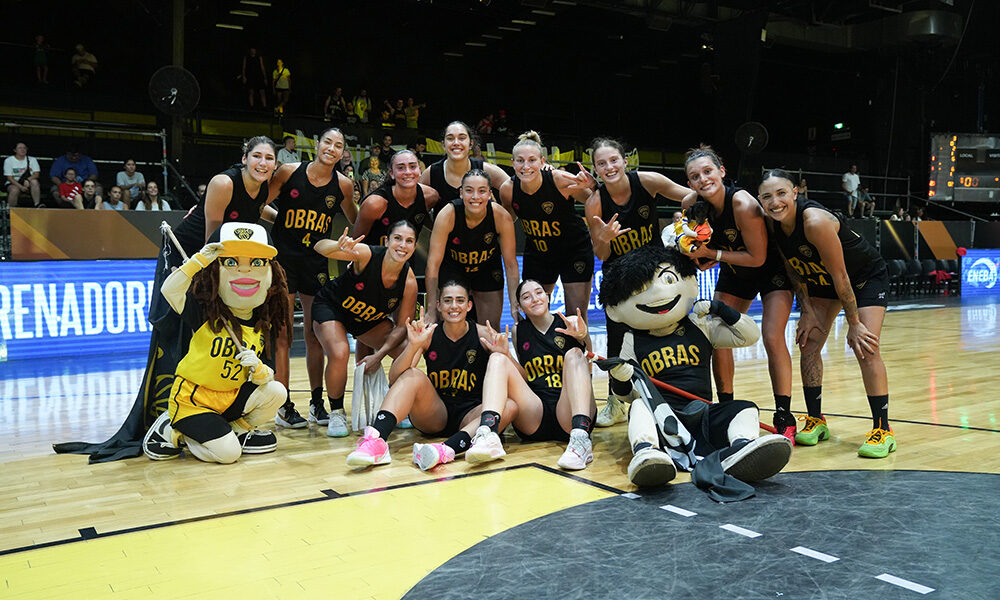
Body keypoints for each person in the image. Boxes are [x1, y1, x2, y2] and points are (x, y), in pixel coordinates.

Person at [52, 137, 280, 463]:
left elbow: (253, 214)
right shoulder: (222, 182)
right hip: (187, 257)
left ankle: (222, 416)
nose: (262, 162)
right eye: (256, 156)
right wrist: (206, 286)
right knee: (185, 332)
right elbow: (210, 240)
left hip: (221, 262)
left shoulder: (265, 188)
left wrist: (277, 219)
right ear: (244, 158)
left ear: (274, 163)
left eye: (268, 158)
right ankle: (170, 416)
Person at [599, 243, 791, 497]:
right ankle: (647, 452)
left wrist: (720, 309)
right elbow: (626, 396)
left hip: (702, 414)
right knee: (639, 406)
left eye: (668, 279)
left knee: (743, 407)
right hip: (663, 419)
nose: (657, 294)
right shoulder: (632, 340)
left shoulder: (700, 326)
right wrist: (621, 379)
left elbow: (750, 335)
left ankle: (741, 449)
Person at [759, 169, 895, 458]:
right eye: (767, 196)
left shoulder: (815, 222)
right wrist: (806, 310)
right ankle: (817, 420)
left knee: (866, 348)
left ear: (795, 192)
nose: (775, 202)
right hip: (822, 281)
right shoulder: (772, 223)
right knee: (809, 343)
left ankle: (883, 428)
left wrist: (854, 323)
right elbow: (793, 268)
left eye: (781, 193)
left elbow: (842, 276)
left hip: (863, 278)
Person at [141, 222, 291, 464]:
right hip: (195, 401)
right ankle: (173, 430)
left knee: (277, 392)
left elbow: (266, 374)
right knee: (229, 455)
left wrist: (260, 370)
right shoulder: (204, 311)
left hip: (230, 398)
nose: (245, 271)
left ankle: (237, 430)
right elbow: (169, 291)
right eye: (231, 262)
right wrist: (198, 261)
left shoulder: (263, 322)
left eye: (257, 263)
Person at [681, 145, 797, 440]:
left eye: (708, 171)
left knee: (772, 337)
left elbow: (758, 258)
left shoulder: (743, 204)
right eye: (695, 176)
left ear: (721, 171)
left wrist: (714, 254)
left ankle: (784, 414)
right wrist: (695, 251)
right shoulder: (691, 204)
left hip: (770, 271)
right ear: (689, 182)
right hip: (735, 271)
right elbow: (690, 237)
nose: (703, 179)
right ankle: (726, 408)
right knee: (717, 335)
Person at [345, 282, 513, 470]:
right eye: (447, 301)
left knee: (510, 405)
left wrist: (505, 354)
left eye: (460, 300)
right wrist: (414, 345)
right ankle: (377, 441)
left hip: (471, 413)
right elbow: (395, 377)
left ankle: (447, 449)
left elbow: (519, 377)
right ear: (439, 306)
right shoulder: (430, 334)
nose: (454, 306)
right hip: (435, 413)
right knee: (413, 374)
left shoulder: (483, 334)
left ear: (469, 305)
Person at [582, 137, 691, 426]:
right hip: (619, 279)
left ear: (625, 160)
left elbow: (690, 197)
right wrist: (604, 239)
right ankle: (616, 401)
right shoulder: (595, 202)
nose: (609, 167)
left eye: (614, 160)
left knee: (669, 335)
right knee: (617, 344)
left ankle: (680, 394)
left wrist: (685, 218)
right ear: (595, 169)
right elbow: (600, 253)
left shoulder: (648, 181)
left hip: (654, 272)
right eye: (602, 163)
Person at [263, 127, 357, 430]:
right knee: (283, 334)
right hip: (283, 260)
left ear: (344, 153)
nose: (332, 148)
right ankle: (283, 405)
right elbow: (256, 202)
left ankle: (317, 403)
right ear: (317, 145)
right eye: (327, 141)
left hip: (316, 261)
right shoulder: (289, 171)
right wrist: (280, 220)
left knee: (315, 334)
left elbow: (357, 219)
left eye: (338, 145)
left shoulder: (343, 184)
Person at [312, 224, 419, 437]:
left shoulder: (409, 281)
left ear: (415, 247)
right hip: (333, 307)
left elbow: (401, 326)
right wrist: (337, 246)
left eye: (409, 241)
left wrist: (378, 356)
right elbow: (319, 246)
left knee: (409, 349)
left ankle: (397, 403)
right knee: (340, 352)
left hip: (366, 320)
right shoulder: (366, 253)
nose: (402, 245)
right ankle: (336, 412)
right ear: (387, 242)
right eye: (397, 238)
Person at [490, 280, 598, 470]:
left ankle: (581, 440)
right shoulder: (518, 330)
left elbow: (588, 362)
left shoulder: (568, 322)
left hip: (569, 411)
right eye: (526, 296)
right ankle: (487, 434)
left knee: (574, 354)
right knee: (500, 358)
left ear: (547, 297)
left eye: (539, 292)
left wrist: (582, 336)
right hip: (536, 414)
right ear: (519, 306)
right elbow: (524, 376)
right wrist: (506, 354)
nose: (534, 299)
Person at [499, 131, 596, 322]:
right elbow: (506, 221)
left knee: (576, 318)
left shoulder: (559, 179)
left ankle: (582, 353)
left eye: (532, 160)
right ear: (512, 163)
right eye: (520, 161)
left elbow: (594, 200)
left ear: (542, 161)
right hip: (539, 253)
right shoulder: (508, 189)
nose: (526, 166)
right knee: (534, 317)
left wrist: (592, 189)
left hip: (573, 250)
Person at [425, 169, 520, 327]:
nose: (475, 197)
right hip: (454, 268)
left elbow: (510, 264)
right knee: (449, 326)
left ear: (490, 194)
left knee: (490, 330)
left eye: (482, 191)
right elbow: (433, 264)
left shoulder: (501, 216)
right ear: (461, 193)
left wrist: (514, 305)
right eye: (469, 191)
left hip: (487, 269)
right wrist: (430, 308)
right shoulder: (447, 214)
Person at [353, 149, 440, 247]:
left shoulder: (430, 197)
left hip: (406, 259)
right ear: (392, 174)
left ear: (420, 170)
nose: (407, 172)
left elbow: (428, 221)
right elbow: (356, 243)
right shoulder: (375, 203)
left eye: (412, 167)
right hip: (375, 259)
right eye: (401, 168)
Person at [420, 121, 511, 204]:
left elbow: (515, 190)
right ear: (443, 145)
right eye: (450, 138)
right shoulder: (432, 172)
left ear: (471, 144)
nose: (456, 142)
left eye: (462, 138)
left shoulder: (485, 169)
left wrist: (506, 212)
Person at [4, 141, 41, 207]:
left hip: (27, 183)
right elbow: (9, 177)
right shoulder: (9, 160)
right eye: (20, 148)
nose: (23, 150)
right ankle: (10, 210)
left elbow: (36, 174)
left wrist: (28, 180)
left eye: (24, 148)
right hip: (13, 183)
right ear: (15, 150)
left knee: (34, 182)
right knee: (14, 190)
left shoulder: (32, 159)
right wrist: (21, 187)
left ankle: (37, 204)